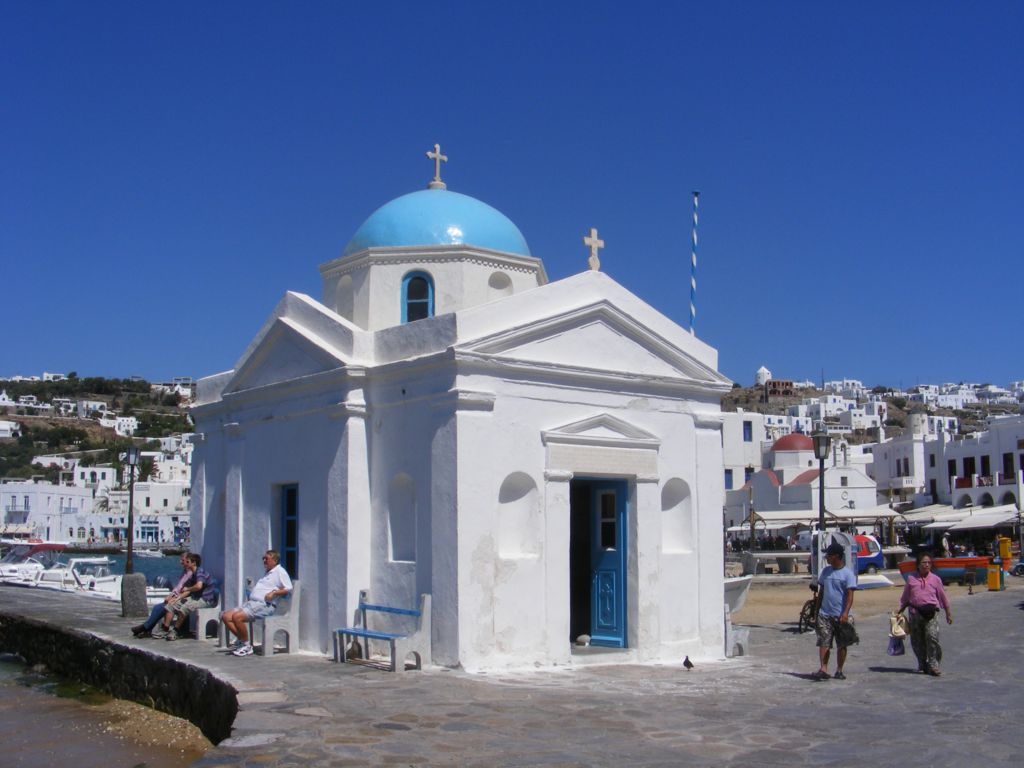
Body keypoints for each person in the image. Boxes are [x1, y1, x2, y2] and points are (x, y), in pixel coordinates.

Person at [220, 549, 293, 657]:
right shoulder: (268, 572)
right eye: (263, 558)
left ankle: (246, 646)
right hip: (252, 603)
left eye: (266, 558)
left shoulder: (280, 571)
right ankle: (242, 641)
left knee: (237, 617)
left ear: (274, 560)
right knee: (226, 616)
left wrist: (274, 593)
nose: (264, 560)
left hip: (265, 605)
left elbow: (289, 588)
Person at [898, 551, 952, 676]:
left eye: (929, 562)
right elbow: (905, 598)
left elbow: (943, 597)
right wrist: (899, 612)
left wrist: (948, 613)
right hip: (915, 614)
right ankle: (922, 663)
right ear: (918, 565)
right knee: (917, 641)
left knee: (932, 637)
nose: (927, 565)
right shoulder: (911, 579)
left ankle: (933, 664)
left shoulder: (936, 579)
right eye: (924, 562)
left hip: (931, 614)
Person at [812, 541, 857, 680]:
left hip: (841, 616)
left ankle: (839, 669)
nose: (827, 557)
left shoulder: (847, 574)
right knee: (824, 641)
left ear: (836, 556)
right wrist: (816, 610)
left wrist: (845, 613)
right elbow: (822, 592)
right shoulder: (826, 572)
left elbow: (850, 595)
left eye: (829, 555)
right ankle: (823, 668)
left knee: (841, 644)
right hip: (825, 614)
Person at [131, 553, 193, 638]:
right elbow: (177, 588)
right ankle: (147, 628)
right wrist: (170, 595)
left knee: (162, 607)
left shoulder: (191, 574)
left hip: (182, 598)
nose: (180, 562)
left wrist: (174, 598)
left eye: (183, 560)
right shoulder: (184, 573)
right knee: (157, 607)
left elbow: (186, 591)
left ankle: (146, 627)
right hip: (176, 596)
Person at [165, 553, 219, 640]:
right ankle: (166, 628)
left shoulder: (200, 572)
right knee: (172, 605)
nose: (185, 563)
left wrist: (187, 589)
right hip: (196, 597)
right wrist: (177, 598)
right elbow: (188, 590)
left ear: (193, 563)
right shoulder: (193, 574)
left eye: (187, 561)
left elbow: (198, 586)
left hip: (205, 599)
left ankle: (176, 630)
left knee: (184, 608)